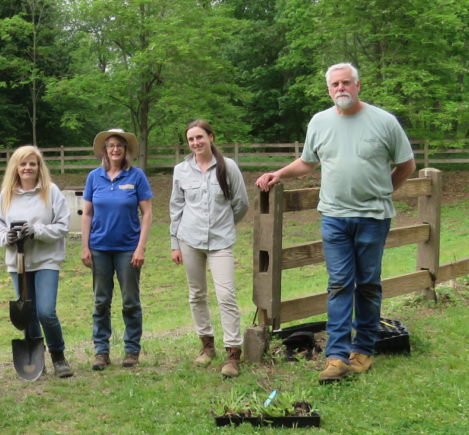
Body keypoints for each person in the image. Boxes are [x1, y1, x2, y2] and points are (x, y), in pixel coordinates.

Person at [256, 62, 416, 382]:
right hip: (334, 218)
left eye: (346, 83)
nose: (340, 88)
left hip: (373, 218)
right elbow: (307, 162)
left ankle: (363, 349)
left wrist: (383, 191)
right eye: (334, 85)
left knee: (368, 284)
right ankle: (337, 356)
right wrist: (279, 174)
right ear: (329, 90)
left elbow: (406, 165)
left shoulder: (384, 121)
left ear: (358, 86)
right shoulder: (320, 122)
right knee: (339, 284)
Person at [170, 120, 249, 377]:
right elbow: (176, 208)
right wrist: (175, 244)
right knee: (197, 294)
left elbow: (241, 204)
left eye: (200, 137)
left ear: (211, 137)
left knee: (226, 295)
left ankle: (233, 354)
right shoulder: (181, 170)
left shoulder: (228, 167)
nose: (195, 143)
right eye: (191, 139)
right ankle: (207, 346)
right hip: (189, 240)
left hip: (220, 241)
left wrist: (225, 224)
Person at [0, 146, 72, 377]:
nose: (28, 168)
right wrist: (6, 237)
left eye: (32, 164)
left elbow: (63, 226)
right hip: (19, 263)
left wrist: (35, 230)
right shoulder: (7, 193)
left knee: (46, 311)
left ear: (39, 167)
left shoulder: (51, 192)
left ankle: (58, 356)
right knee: (27, 314)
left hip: (46, 259)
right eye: (23, 164)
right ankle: (37, 359)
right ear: (16, 167)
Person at [80, 129, 153, 370]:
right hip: (99, 248)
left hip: (127, 249)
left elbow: (148, 213)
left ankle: (131, 350)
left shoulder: (137, 176)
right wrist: (85, 246)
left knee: (130, 301)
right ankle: (101, 351)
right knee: (101, 301)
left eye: (119, 146)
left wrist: (140, 248)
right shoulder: (94, 177)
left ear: (126, 150)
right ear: (104, 150)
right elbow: (87, 213)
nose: (115, 149)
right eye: (110, 145)